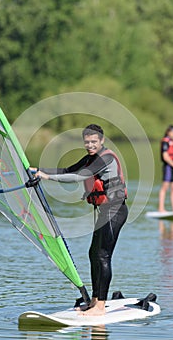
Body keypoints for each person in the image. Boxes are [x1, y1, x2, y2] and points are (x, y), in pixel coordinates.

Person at [31, 124, 128, 316]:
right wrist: (38, 170)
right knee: (93, 254)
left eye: (94, 142)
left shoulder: (106, 157)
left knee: (103, 256)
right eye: (87, 142)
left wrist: (47, 177)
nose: (90, 145)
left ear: (101, 141)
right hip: (105, 211)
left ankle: (100, 306)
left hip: (115, 211)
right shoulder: (90, 158)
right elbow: (67, 169)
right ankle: (94, 301)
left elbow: (78, 176)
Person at [158, 125, 173, 212]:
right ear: (168, 131)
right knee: (165, 187)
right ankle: (161, 209)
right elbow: (165, 156)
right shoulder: (165, 141)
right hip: (168, 166)